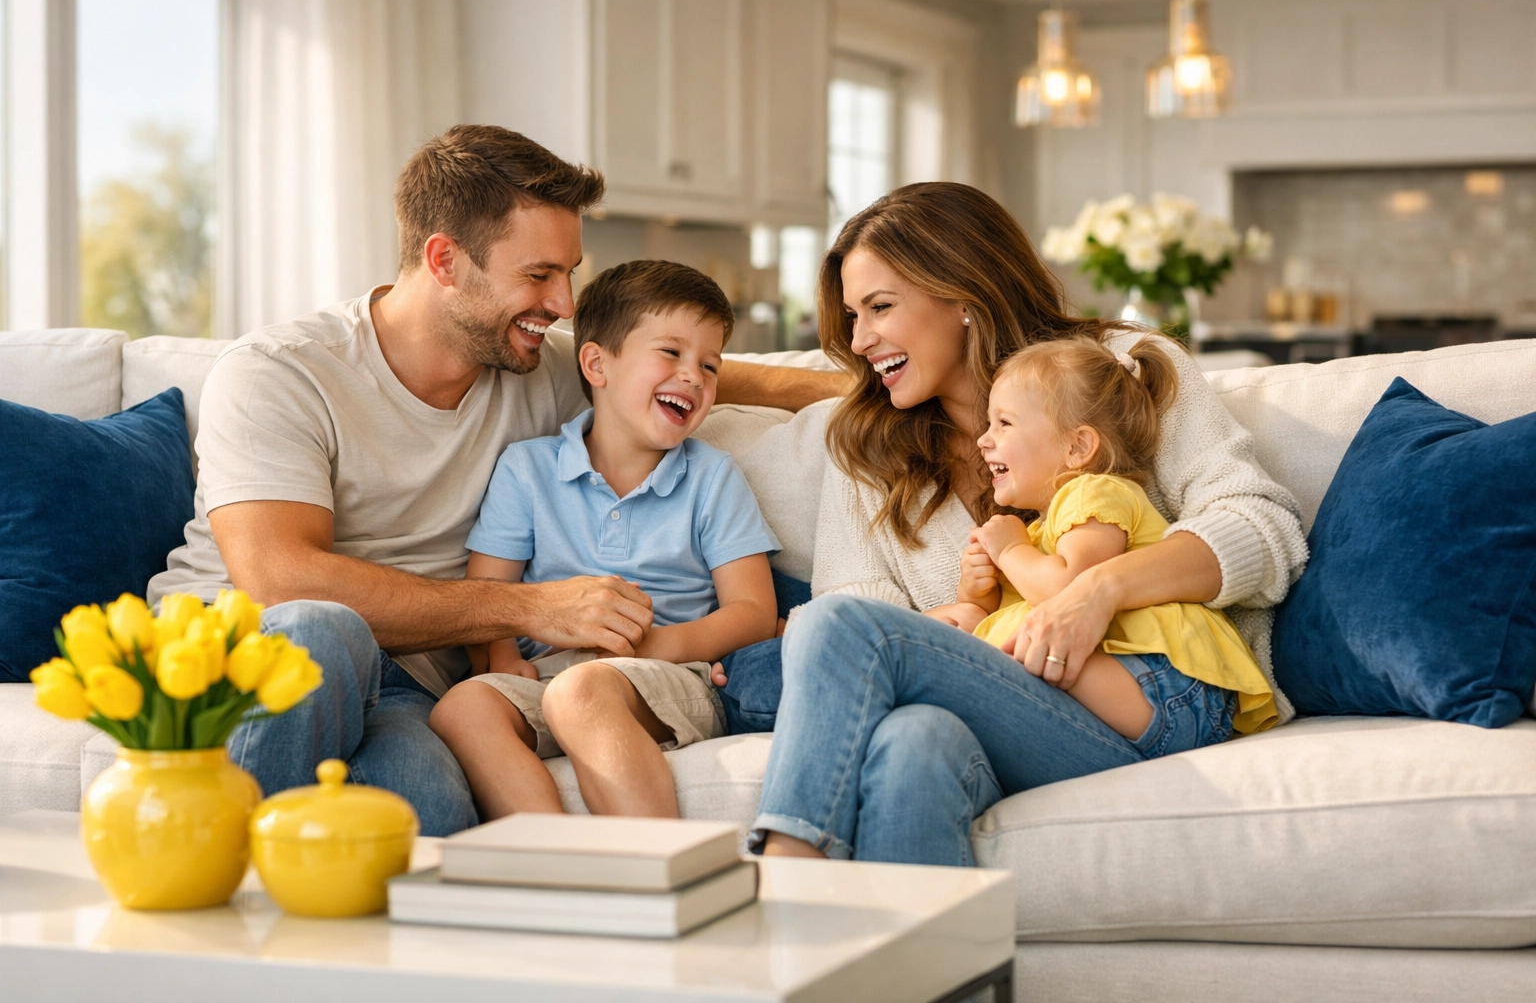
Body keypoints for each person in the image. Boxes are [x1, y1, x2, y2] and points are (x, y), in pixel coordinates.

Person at [146, 125, 840, 835]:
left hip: (405, 684)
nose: (564, 302)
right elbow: (281, 582)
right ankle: (201, 877)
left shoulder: (530, 363)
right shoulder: (284, 370)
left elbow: (695, 373)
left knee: (437, 817)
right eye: (538, 275)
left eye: (569, 272)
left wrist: (873, 388)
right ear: (445, 259)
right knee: (323, 631)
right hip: (246, 658)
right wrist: (529, 609)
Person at [749, 182, 1309, 866]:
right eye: (852, 315)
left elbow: (1260, 526)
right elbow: (866, 614)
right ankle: (916, 973)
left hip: (1134, 708)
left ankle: (783, 870)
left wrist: (1096, 593)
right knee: (912, 743)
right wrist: (966, 611)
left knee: (827, 629)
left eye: (880, 307)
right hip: (992, 718)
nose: (860, 339)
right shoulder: (867, 444)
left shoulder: (1111, 374)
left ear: (962, 295)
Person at [428, 261, 779, 820]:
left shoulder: (712, 477)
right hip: (547, 672)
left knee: (581, 694)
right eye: (671, 353)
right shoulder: (527, 469)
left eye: (709, 365)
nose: (694, 376)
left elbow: (755, 612)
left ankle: (655, 872)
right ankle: (553, 862)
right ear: (596, 363)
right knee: (461, 708)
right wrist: (498, 656)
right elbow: (489, 595)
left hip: (667, 676)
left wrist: (658, 646)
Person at [955, 335, 1277, 742]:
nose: (984, 438)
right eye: (988, 423)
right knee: (990, 640)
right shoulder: (1040, 533)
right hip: (1148, 691)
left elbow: (1066, 587)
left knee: (1002, 660)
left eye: (1004, 423)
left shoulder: (1093, 493)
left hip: (1166, 682)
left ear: (1078, 446)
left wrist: (1009, 552)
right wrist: (978, 588)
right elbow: (1014, 609)